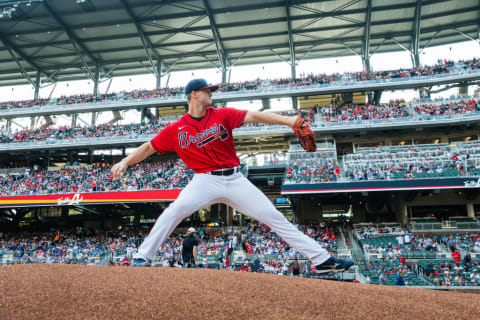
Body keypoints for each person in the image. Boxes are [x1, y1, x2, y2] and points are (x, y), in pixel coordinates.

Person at [111, 78, 353, 273]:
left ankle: (322, 261)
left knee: (273, 216)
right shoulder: (176, 129)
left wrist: (290, 120)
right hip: (204, 180)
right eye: (207, 91)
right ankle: (142, 257)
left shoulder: (221, 115)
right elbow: (149, 147)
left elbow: (254, 116)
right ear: (195, 94)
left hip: (235, 179)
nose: (211, 94)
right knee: (173, 211)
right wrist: (125, 160)